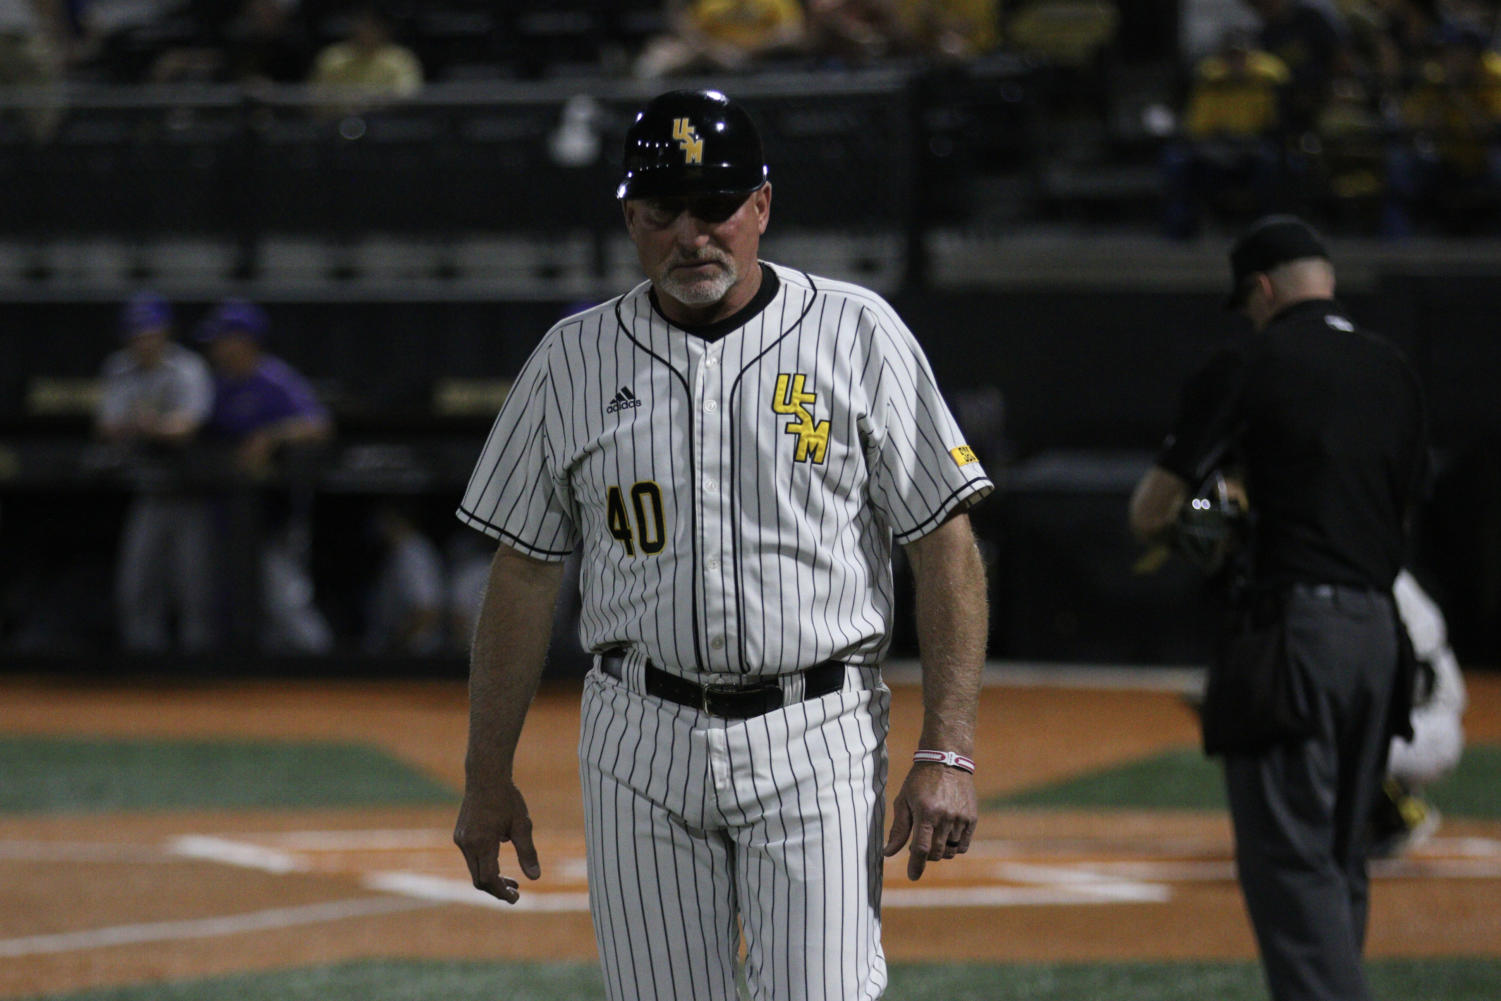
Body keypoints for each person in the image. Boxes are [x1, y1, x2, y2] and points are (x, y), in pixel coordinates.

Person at [452, 89, 992, 1001]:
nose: (691, 234)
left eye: (716, 207)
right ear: (631, 217)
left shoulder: (855, 332)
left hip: (816, 729)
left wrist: (948, 748)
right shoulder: (570, 360)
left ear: (762, 207)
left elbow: (943, 539)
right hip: (637, 734)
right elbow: (524, 571)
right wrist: (484, 777)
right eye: (664, 212)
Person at [1129, 214, 1427, 1001]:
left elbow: (1152, 511)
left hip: (1294, 634)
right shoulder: (1392, 369)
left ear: (1260, 290)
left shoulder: (1248, 360)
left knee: (1290, 870)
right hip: (1378, 638)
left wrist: (1215, 520)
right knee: (1337, 858)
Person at [197, 297, 335, 653]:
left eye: (222, 338)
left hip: (276, 511)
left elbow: (318, 426)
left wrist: (270, 436)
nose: (215, 346)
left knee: (284, 597)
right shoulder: (216, 385)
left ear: (244, 340)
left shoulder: (274, 379)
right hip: (226, 508)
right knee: (235, 600)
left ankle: (320, 668)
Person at [95, 291, 216, 653]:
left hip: (192, 488)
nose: (143, 340)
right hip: (147, 490)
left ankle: (199, 667)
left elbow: (188, 426)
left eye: (150, 332)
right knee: (136, 585)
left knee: (194, 587)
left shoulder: (188, 368)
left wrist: (148, 425)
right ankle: (142, 667)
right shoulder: (118, 367)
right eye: (136, 333)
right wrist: (149, 425)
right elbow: (106, 427)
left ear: (165, 332)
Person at [1369, 567, 1466, 857]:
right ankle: (1387, 807)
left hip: (1428, 730)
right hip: (1416, 726)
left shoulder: (1386, 583)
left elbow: (1420, 682)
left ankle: (1398, 812)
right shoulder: (1387, 577)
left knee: (1339, 737)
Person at [632, 0, 807, 79]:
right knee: (653, 62)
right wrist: (715, 51)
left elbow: (792, 33)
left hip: (762, 54)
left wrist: (745, 52)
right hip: (703, 51)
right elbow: (682, 23)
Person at [308, 3, 421, 118]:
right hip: (337, 120)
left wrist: (372, 101)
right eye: (362, 24)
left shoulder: (400, 58)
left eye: (373, 26)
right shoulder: (333, 57)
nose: (366, 30)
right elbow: (317, 95)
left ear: (384, 29)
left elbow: (408, 94)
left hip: (386, 122)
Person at [364, 501, 446, 655]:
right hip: (402, 651)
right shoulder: (399, 552)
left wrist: (395, 644)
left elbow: (427, 612)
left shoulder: (413, 554)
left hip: (415, 654)